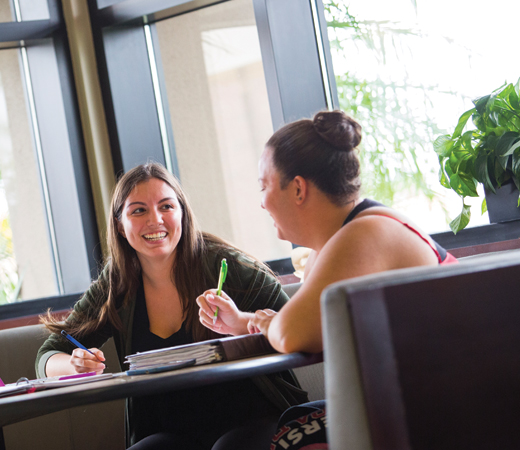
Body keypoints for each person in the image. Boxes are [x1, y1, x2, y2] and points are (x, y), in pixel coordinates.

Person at [196, 110, 457, 449]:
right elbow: (311, 329)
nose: (261, 203)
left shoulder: (365, 234)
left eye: (264, 186)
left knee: (266, 442)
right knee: (277, 426)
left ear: (299, 188)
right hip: (411, 401)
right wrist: (244, 322)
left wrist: (274, 325)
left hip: (444, 409)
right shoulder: (338, 241)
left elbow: (291, 332)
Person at [35, 162, 308, 450]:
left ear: (182, 213)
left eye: (166, 206)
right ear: (120, 224)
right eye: (138, 210)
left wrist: (243, 321)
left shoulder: (231, 268)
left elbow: (298, 328)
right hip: (168, 433)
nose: (155, 220)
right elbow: (47, 356)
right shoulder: (115, 284)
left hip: (254, 419)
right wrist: (75, 364)